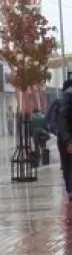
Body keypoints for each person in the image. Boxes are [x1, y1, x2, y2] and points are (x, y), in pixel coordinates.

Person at [53, 79, 72, 221]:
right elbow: (63, 121)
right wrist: (68, 140)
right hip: (67, 140)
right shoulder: (67, 99)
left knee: (67, 167)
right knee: (68, 167)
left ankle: (70, 190)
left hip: (64, 139)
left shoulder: (62, 99)